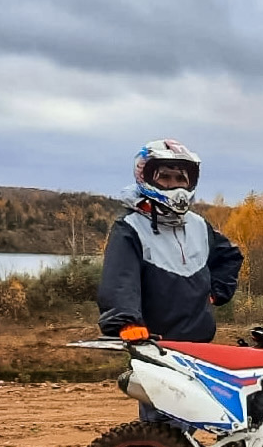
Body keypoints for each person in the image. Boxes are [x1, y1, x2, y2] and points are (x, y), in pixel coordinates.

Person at [98, 138, 244, 392]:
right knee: (160, 422)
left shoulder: (198, 224)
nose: (174, 184)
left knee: (201, 417)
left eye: (181, 179)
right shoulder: (131, 227)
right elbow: (119, 279)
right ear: (147, 177)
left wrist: (216, 293)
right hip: (155, 344)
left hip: (199, 343)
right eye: (165, 177)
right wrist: (126, 322)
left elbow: (229, 256)